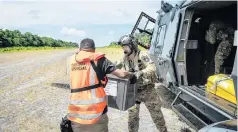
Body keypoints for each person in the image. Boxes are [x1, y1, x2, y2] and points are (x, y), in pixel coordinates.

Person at [66, 38, 136, 132]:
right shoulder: (98, 59)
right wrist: (132, 75)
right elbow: (122, 74)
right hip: (96, 114)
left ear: (80, 48)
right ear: (94, 49)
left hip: (75, 114)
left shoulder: (70, 60)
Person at [116, 34, 167, 132]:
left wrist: (141, 72)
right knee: (132, 117)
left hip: (148, 91)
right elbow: (116, 65)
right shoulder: (125, 57)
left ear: (132, 45)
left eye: (125, 46)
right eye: (123, 47)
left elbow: (152, 68)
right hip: (133, 91)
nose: (124, 49)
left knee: (157, 116)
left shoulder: (142, 55)